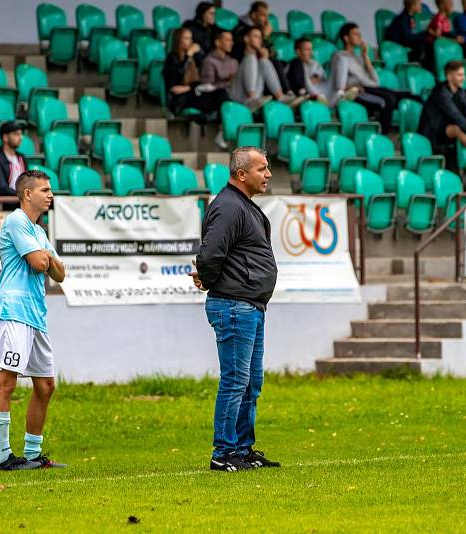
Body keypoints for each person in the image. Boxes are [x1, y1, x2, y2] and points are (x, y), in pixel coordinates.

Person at [190, 146, 279, 473]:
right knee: (236, 380)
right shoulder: (228, 207)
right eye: (262, 169)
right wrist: (209, 280)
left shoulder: (244, 206)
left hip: (250, 306)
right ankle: (224, 452)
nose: (268, 174)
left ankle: (242, 448)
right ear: (241, 174)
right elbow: (210, 254)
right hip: (234, 305)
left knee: (251, 381)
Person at [0, 169, 66, 471]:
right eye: (45, 190)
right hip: (14, 310)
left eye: (50, 190)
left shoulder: (39, 231)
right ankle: (5, 457)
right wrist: (47, 258)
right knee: (6, 382)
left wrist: (47, 258)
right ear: (27, 194)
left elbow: (60, 273)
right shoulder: (16, 221)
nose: (50, 195)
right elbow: (39, 263)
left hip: (35, 313)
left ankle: (33, 454)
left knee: (46, 385)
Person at [332, 23, 419, 133]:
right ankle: (384, 134)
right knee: (387, 100)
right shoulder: (341, 57)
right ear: (346, 38)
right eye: (355, 34)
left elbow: (375, 81)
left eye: (360, 34)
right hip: (358, 92)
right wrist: (351, 86)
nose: (359, 37)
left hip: (371, 88)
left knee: (412, 97)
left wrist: (365, 57)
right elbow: (339, 84)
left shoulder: (358, 57)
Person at [163, 28, 230, 117]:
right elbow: (175, 85)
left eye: (191, 38)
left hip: (195, 91)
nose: (190, 41)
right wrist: (188, 55)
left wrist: (199, 54)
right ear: (178, 40)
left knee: (221, 93)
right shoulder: (171, 59)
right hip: (182, 99)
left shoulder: (195, 57)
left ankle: (227, 118)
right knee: (209, 101)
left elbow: (205, 75)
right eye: (186, 38)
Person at [230, 27, 294, 109]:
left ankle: (280, 97)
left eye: (260, 37)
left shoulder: (259, 58)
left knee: (264, 61)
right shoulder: (236, 54)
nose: (259, 40)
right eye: (256, 36)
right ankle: (251, 99)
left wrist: (265, 57)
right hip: (237, 95)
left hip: (255, 97)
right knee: (251, 58)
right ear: (246, 38)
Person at [286, 37, 337, 105]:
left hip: (320, 92)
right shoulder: (292, 65)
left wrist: (317, 78)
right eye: (307, 49)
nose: (311, 52)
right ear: (298, 52)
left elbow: (324, 78)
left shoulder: (314, 63)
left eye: (311, 49)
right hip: (301, 95)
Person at [0, 121, 27, 203]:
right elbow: (0, 188)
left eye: (21, 134)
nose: (20, 137)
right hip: (6, 203)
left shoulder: (21, 157)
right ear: (5, 137)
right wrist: (21, 195)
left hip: (22, 201)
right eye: (16, 134)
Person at [385, 0, 428, 65]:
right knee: (421, 46)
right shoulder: (402, 19)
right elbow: (408, 38)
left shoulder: (409, 17)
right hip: (395, 47)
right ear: (412, 6)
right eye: (419, 4)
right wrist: (426, 34)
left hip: (403, 42)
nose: (421, 6)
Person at [200, 29, 239, 93]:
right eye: (228, 40)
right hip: (217, 97)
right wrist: (229, 82)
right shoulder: (209, 61)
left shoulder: (233, 62)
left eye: (232, 40)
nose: (232, 43)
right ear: (217, 42)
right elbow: (207, 87)